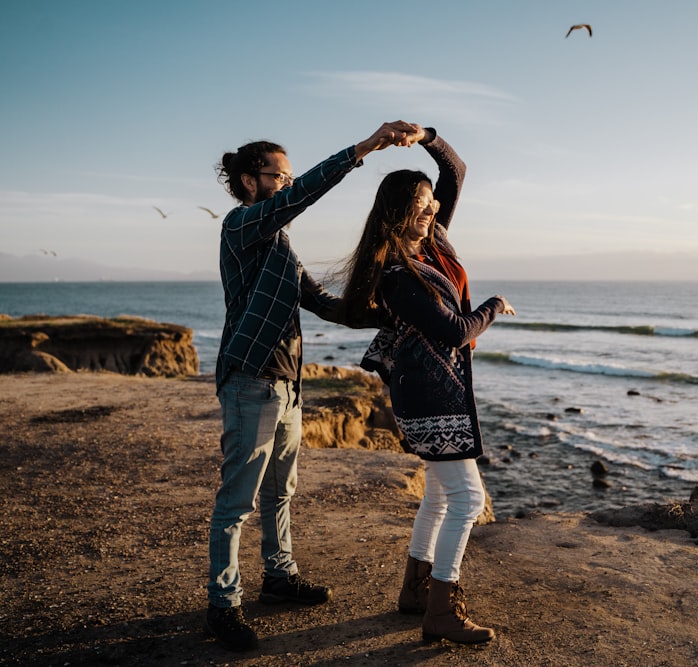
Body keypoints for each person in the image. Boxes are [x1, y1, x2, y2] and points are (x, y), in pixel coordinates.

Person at [207, 121, 420, 652]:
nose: (287, 182)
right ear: (248, 180)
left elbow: (328, 305)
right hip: (250, 381)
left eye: (288, 175)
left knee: (282, 492)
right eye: (279, 176)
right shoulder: (240, 226)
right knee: (237, 501)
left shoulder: (279, 246)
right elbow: (302, 197)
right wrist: (364, 149)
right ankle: (223, 605)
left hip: (287, 385)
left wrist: (395, 316)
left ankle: (278, 579)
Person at [339, 126, 515, 645]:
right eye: (419, 202)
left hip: (439, 388)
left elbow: (455, 174)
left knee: (439, 496)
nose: (431, 207)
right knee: (467, 498)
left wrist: (427, 137)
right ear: (398, 212)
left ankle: (414, 591)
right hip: (427, 394)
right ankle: (441, 609)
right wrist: (493, 306)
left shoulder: (432, 242)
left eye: (431, 200)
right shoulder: (396, 272)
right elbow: (454, 331)